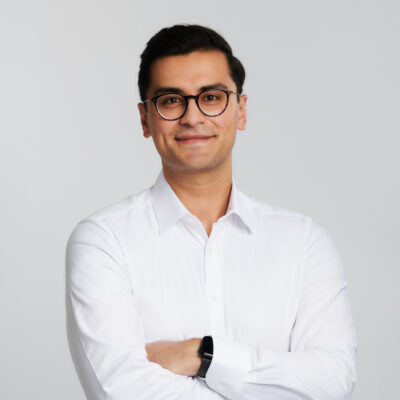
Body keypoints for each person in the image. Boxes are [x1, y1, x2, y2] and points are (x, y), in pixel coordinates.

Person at [65, 24, 358, 400]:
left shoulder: (303, 242)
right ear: (145, 119)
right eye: (171, 100)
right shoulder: (104, 240)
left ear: (241, 110)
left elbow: (334, 383)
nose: (192, 117)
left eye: (211, 97)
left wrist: (204, 356)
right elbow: (121, 391)